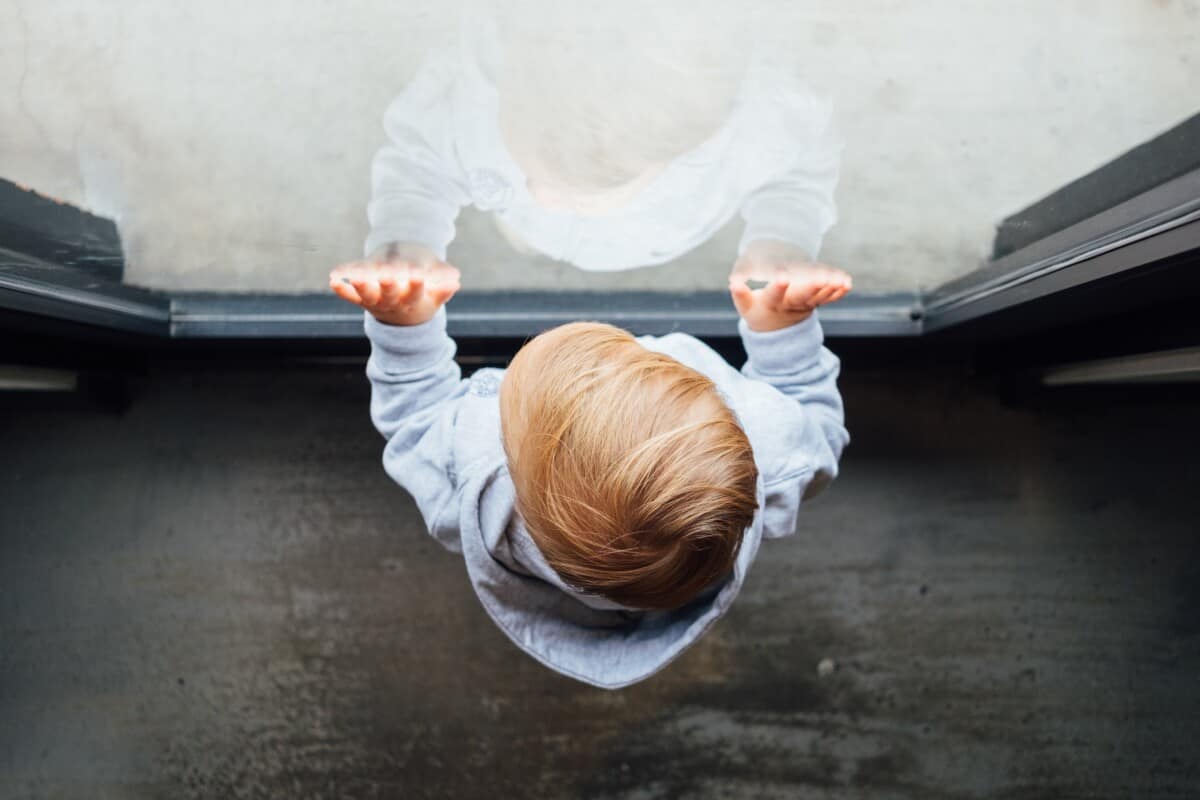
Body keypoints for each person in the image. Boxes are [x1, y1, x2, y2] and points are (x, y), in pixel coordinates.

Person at [327, 259, 851, 688]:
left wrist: (404, 325)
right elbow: (818, 431)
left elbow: (418, 421)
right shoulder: (768, 442)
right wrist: (782, 330)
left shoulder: (475, 486)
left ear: (508, 454)